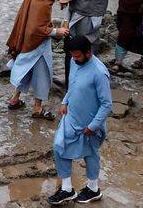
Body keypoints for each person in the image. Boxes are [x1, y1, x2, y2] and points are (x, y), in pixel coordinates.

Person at [49, 36, 112, 205]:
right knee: (58, 147)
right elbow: (73, 84)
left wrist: (93, 126)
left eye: (77, 56)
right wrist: (65, 100)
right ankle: (67, 189)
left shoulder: (99, 72)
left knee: (90, 154)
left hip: (90, 124)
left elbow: (107, 104)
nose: (74, 59)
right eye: (72, 56)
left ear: (88, 53)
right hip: (71, 117)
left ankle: (93, 189)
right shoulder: (75, 62)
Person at [6, 0, 68, 116]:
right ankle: (37, 108)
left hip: (26, 41)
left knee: (25, 70)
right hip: (37, 45)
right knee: (43, 73)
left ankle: (15, 99)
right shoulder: (43, 3)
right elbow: (38, 29)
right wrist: (56, 32)